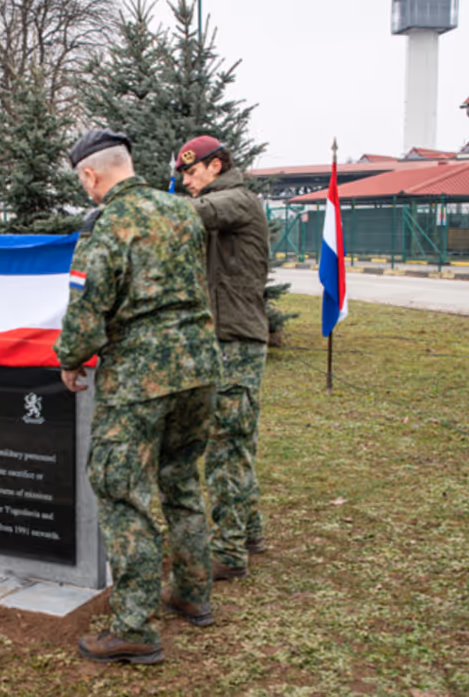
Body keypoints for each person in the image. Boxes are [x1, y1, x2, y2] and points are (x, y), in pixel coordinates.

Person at [56, 129, 223, 665]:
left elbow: (87, 310)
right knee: (180, 478)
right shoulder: (182, 212)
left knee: (122, 492)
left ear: (90, 174)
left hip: (140, 380)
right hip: (199, 367)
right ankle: (194, 593)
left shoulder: (104, 228)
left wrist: (69, 359)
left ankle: (134, 625)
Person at [176, 135, 272, 581]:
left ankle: (229, 553)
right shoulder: (224, 200)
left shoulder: (237, 199)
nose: (187, 183)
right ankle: (249, 531)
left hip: (234, 340)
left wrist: (139, 208)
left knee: (225, 448)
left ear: (216, 165)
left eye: (192, 173)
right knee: (238, 443)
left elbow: (200, 213)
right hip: (229, 338)